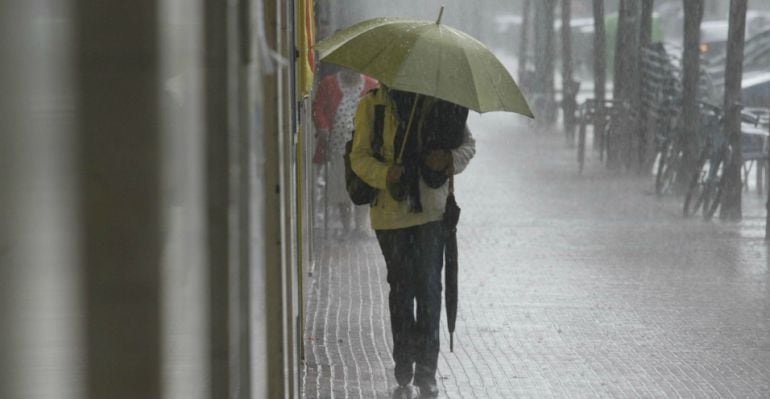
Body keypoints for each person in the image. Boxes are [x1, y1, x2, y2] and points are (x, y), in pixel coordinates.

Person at [350, 86, 475, 398]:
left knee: (430, 288)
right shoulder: (372, 105)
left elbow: (467, 146)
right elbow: (358, 155)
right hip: (389, 216)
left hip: (431, 213)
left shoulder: (440, 102)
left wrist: (447, 158)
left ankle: (426, 371)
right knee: (402, 287)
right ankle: (404, 356)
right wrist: (385, 173)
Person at [312, 68, 378, 239]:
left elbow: (378, 114)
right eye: (349, 69)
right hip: (337, 147)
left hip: (363, 148)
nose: (352, 73)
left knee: (362, 184)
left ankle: (361, 226)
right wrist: (323, 127)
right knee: (342, 188)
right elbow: (317, 108)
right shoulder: (329, 84)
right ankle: (347, 226)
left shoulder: (372, 85)